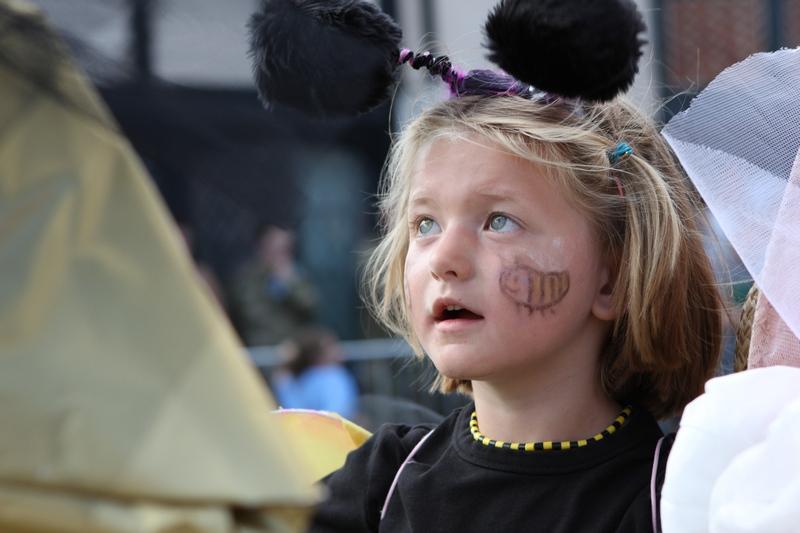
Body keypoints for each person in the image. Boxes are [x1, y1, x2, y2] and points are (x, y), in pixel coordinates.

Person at [246, 0, 723, 531]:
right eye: (424, 224)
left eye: (499, 221)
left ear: (611, 277)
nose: (443, 260)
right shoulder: (377, 484)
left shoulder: (681, 500)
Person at [228, 224, 318, 346]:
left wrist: (288, 285)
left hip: (294, 350)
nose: (281, 256)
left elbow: (309, 306)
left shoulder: (296, 276)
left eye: (285, 250)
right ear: (261, 248)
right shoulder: (248, 278)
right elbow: (251, 314)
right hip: (262, 349)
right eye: (275, 249)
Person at [272, 327, 359, 419]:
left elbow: (292, 410)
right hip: (328, 428)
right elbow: (339, 411)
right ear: (317, 354)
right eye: (332, 347)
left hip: (302, 427)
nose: (339, 351)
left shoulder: (289, 378)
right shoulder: (334, 375)